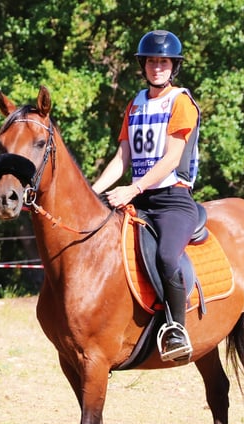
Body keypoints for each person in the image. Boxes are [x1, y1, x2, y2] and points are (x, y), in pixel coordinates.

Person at [93, 30, 201, 363]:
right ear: (144, 65)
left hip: (172, 200)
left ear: (173, 66)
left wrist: (133, 188)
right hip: (139, 200)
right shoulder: (135, 104)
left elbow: (171, 158)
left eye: (163, 61)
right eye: (152, 61)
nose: (157, 67)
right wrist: (93, 191)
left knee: (167, 257)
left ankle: (176, 330)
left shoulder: (181, 102)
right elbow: (122, 157)